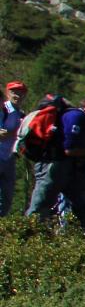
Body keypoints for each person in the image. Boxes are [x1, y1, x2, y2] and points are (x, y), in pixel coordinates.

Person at [26, 89, 85, 231]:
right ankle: (26, 238)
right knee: (40, 207)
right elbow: (69, 150)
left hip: (69, 169)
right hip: (53, 166)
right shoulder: (77, 117)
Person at [0, 80, 28, 217]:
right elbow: (1, 134)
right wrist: (20, 130)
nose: (17, 95)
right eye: (14, 92)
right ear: (7, 93)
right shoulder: (3, 109)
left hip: (9, 158)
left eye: (21, 92)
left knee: (7, 196)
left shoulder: (21, 114)